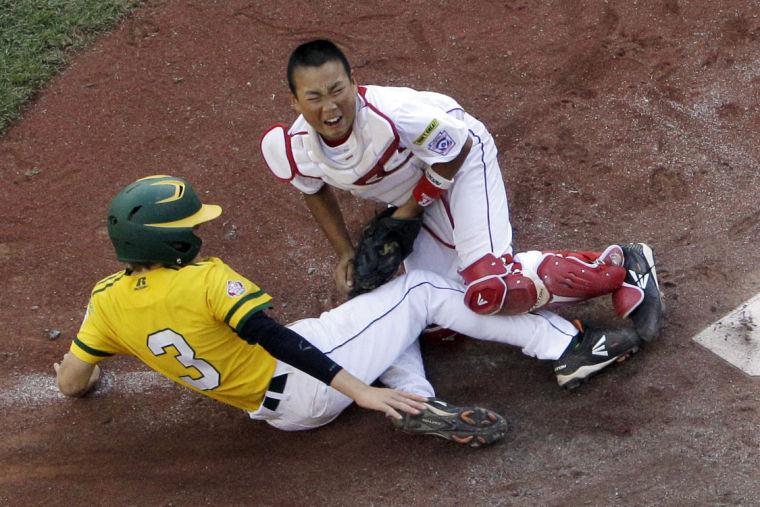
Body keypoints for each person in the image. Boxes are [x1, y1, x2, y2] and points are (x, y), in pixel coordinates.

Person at [259, 39, 663, 387]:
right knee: (440, 323)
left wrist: (408, 212)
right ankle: (571, 335)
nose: (330, 107)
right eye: (314, 97)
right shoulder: (291, 146)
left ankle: (623, 265)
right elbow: (313, 191)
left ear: (354, 84)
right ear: (295, 100)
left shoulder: (397, 115)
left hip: (460, 163)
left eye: (337, 90)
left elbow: (456, 149)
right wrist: (345, 251)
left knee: (490, 286)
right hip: (417, 189)